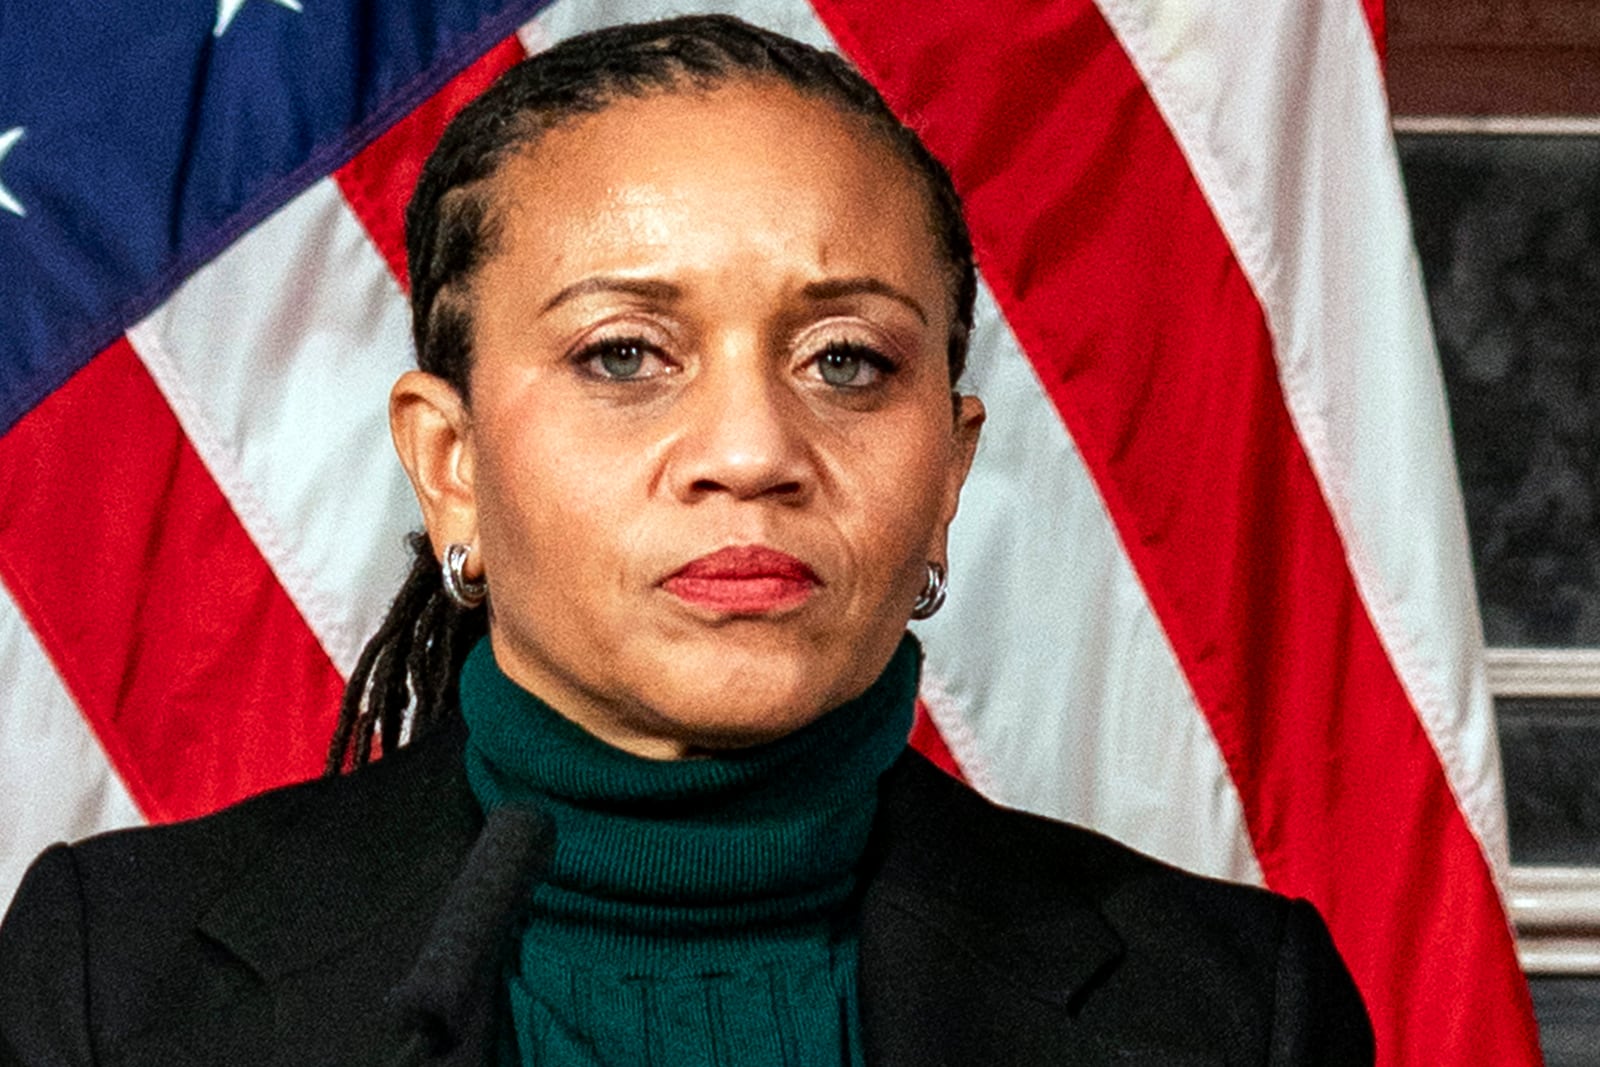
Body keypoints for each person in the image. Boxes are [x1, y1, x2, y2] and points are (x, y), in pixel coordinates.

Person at [0, 15, 1374, 1066]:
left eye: (845, 360)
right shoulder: (110, 979)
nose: (753, 453)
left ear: (950, 472)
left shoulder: (1238, 1006)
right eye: (623, 354)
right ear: (452, 462)